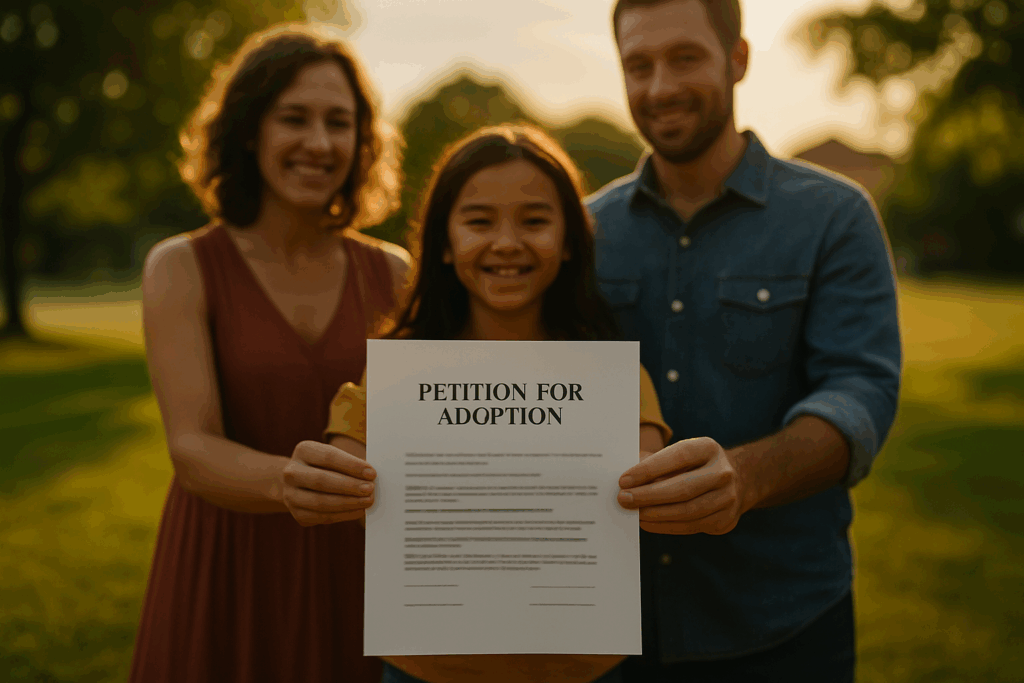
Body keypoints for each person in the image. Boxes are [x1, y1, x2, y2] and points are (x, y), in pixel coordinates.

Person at [286, 124, 672, 683]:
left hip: (580, 670)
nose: (507, 243)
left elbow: (644, 488)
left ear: (570, 240)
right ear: (443, 242)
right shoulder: (395, 378)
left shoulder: (615, 380)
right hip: (428, 670)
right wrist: (322, 482)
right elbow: (346, 476)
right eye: (479, 221)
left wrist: (655, 487)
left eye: (534, 221)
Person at [585, 1, 902, 681]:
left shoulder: (835, 216)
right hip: (611, 627)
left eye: (685, 58)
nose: (660, 86)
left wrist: (746, 477)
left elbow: (861, 388)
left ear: (738, 59)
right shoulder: (584, 230)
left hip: (784, 620)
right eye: (638, 65)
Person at [133, 24, 411, 683]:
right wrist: (289, 482)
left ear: (361, 142)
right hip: (227, 565)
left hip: (358, 571)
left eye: (339, 122)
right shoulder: (181, 266)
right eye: (294, 118)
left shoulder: (395, 274)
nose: (319, 142)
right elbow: (191, 447)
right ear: (249, 131)